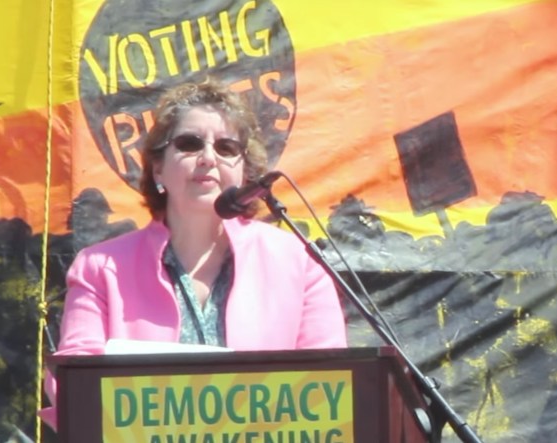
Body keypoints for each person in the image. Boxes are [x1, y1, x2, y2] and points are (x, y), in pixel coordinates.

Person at [39, 78, 348, 430]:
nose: (208, 158)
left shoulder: (301, 262)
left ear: (245, 171)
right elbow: (72, 386)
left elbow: (330, 387)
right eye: (189, 144)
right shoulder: (99, 268)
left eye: (227, 148)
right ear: (158, 168)